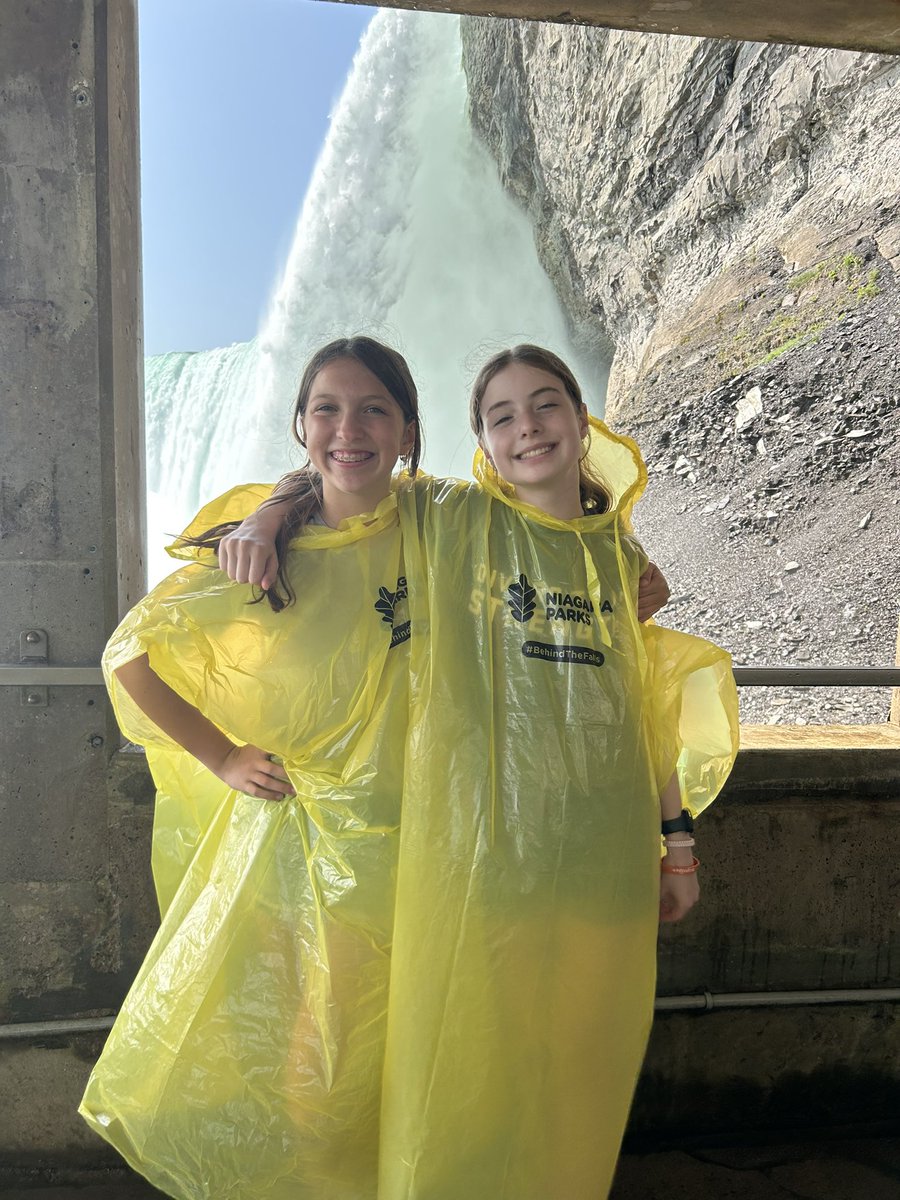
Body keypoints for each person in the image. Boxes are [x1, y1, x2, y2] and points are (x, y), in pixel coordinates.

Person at [218, 343, 739, 1196]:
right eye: (501, 417)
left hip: (601, 860)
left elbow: (642, 711)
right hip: (485, 864)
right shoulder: (454, 522)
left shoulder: (620, 560)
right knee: (465, 1069)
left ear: (582, 421)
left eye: (544, 406)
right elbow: (347, 460)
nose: (526, 427)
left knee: (574, 1067)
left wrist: (675, 843)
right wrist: (265, 520)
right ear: (482, 446)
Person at [80, 338, 425, 1197]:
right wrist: (222, 755)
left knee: (405, 1047)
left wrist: (622, 566)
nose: (349, 428)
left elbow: (539, 519)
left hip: (421, 832)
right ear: (300, 426)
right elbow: (129, 655)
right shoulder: (264, 555)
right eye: (327, 410)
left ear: (409, 429)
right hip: (308, 843)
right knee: (320, 1056)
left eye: (374, 408)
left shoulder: (439, 522)